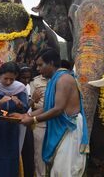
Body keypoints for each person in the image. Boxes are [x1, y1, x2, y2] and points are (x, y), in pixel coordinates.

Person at [18, 48, 89, 177]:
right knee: (57, 169)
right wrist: (26, 115)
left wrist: (33, 120)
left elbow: (58, 109)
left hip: (69, 128)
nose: (38, 69)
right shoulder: (53, 80)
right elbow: (47, 107)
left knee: (64, 170)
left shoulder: (64, 79)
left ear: (51, 63)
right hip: (63, 127)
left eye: (40, 65)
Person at [29, 62, 49, 177]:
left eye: (41, 65)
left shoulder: (60, 80)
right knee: (39, 154)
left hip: (55, 121)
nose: (38, 68)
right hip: (39, 121)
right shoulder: (35, 81)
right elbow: (30, 103)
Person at [18, 65, 35, 177]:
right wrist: (33, 101)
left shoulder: (30, 87)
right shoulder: (16, 88)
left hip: (29, 122)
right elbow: (21, 108)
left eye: (28, 78)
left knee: (29, 152)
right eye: (23, 78)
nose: (26, 80)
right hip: (18, 123)